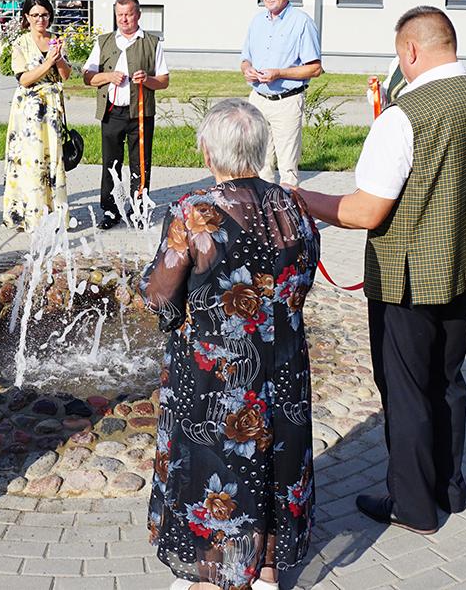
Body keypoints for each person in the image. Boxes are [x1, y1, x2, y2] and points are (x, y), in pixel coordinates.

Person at [295, 6, 466, 534]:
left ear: (411, 50)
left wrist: (302, 198)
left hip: (410, 275)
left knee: (405, 389)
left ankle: (413, 505)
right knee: (446, 378)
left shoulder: (403, 115)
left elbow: (365, 211)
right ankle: (449, 486)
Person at [141, 99, 318, 590]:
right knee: (276, 459)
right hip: (283, 363)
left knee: (215, 464)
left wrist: (156, 295)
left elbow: (160, 293)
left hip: (221, 372)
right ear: (260, 149)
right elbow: (301, 278)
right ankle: (266, 570)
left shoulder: (195, 212)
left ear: (207, 152)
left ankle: (217, 574)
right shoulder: (293, 205)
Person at [83, 0, 170, 229]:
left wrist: (148, 79)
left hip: (140, 114)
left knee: (140, 163)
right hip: (111, 112)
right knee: (110, 164)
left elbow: (164, 81)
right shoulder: (104, 41)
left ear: (138, 15)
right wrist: (108, 76)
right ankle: (110, 211)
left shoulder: (152, 42)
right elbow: (88, 77)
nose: (124, 19)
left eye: (128, 14)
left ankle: (138, 211)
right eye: (120, 15)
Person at [240, 0, 322, 186]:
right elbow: (245, 59)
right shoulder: (257, 22)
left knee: (287, 168)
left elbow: (315, 68)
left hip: (286, 101)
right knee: (259, 164)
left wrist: (279, 73)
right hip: (258, 99)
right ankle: (264, 207)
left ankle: (288, 207)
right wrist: (247, 69)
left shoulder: (302, 22)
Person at [2, 0, 72, 232]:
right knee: (31, 160)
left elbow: (65, 75)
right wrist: (47, 63)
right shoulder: (20, 43)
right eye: (35, 15)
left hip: (52, 108)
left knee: (53, 159)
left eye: (44, 15)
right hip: (29, 110)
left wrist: (58, 59)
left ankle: (54, 214)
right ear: (26, 17)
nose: (40, 19)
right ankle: (31, 215)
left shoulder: (56, 40)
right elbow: (24, 79)